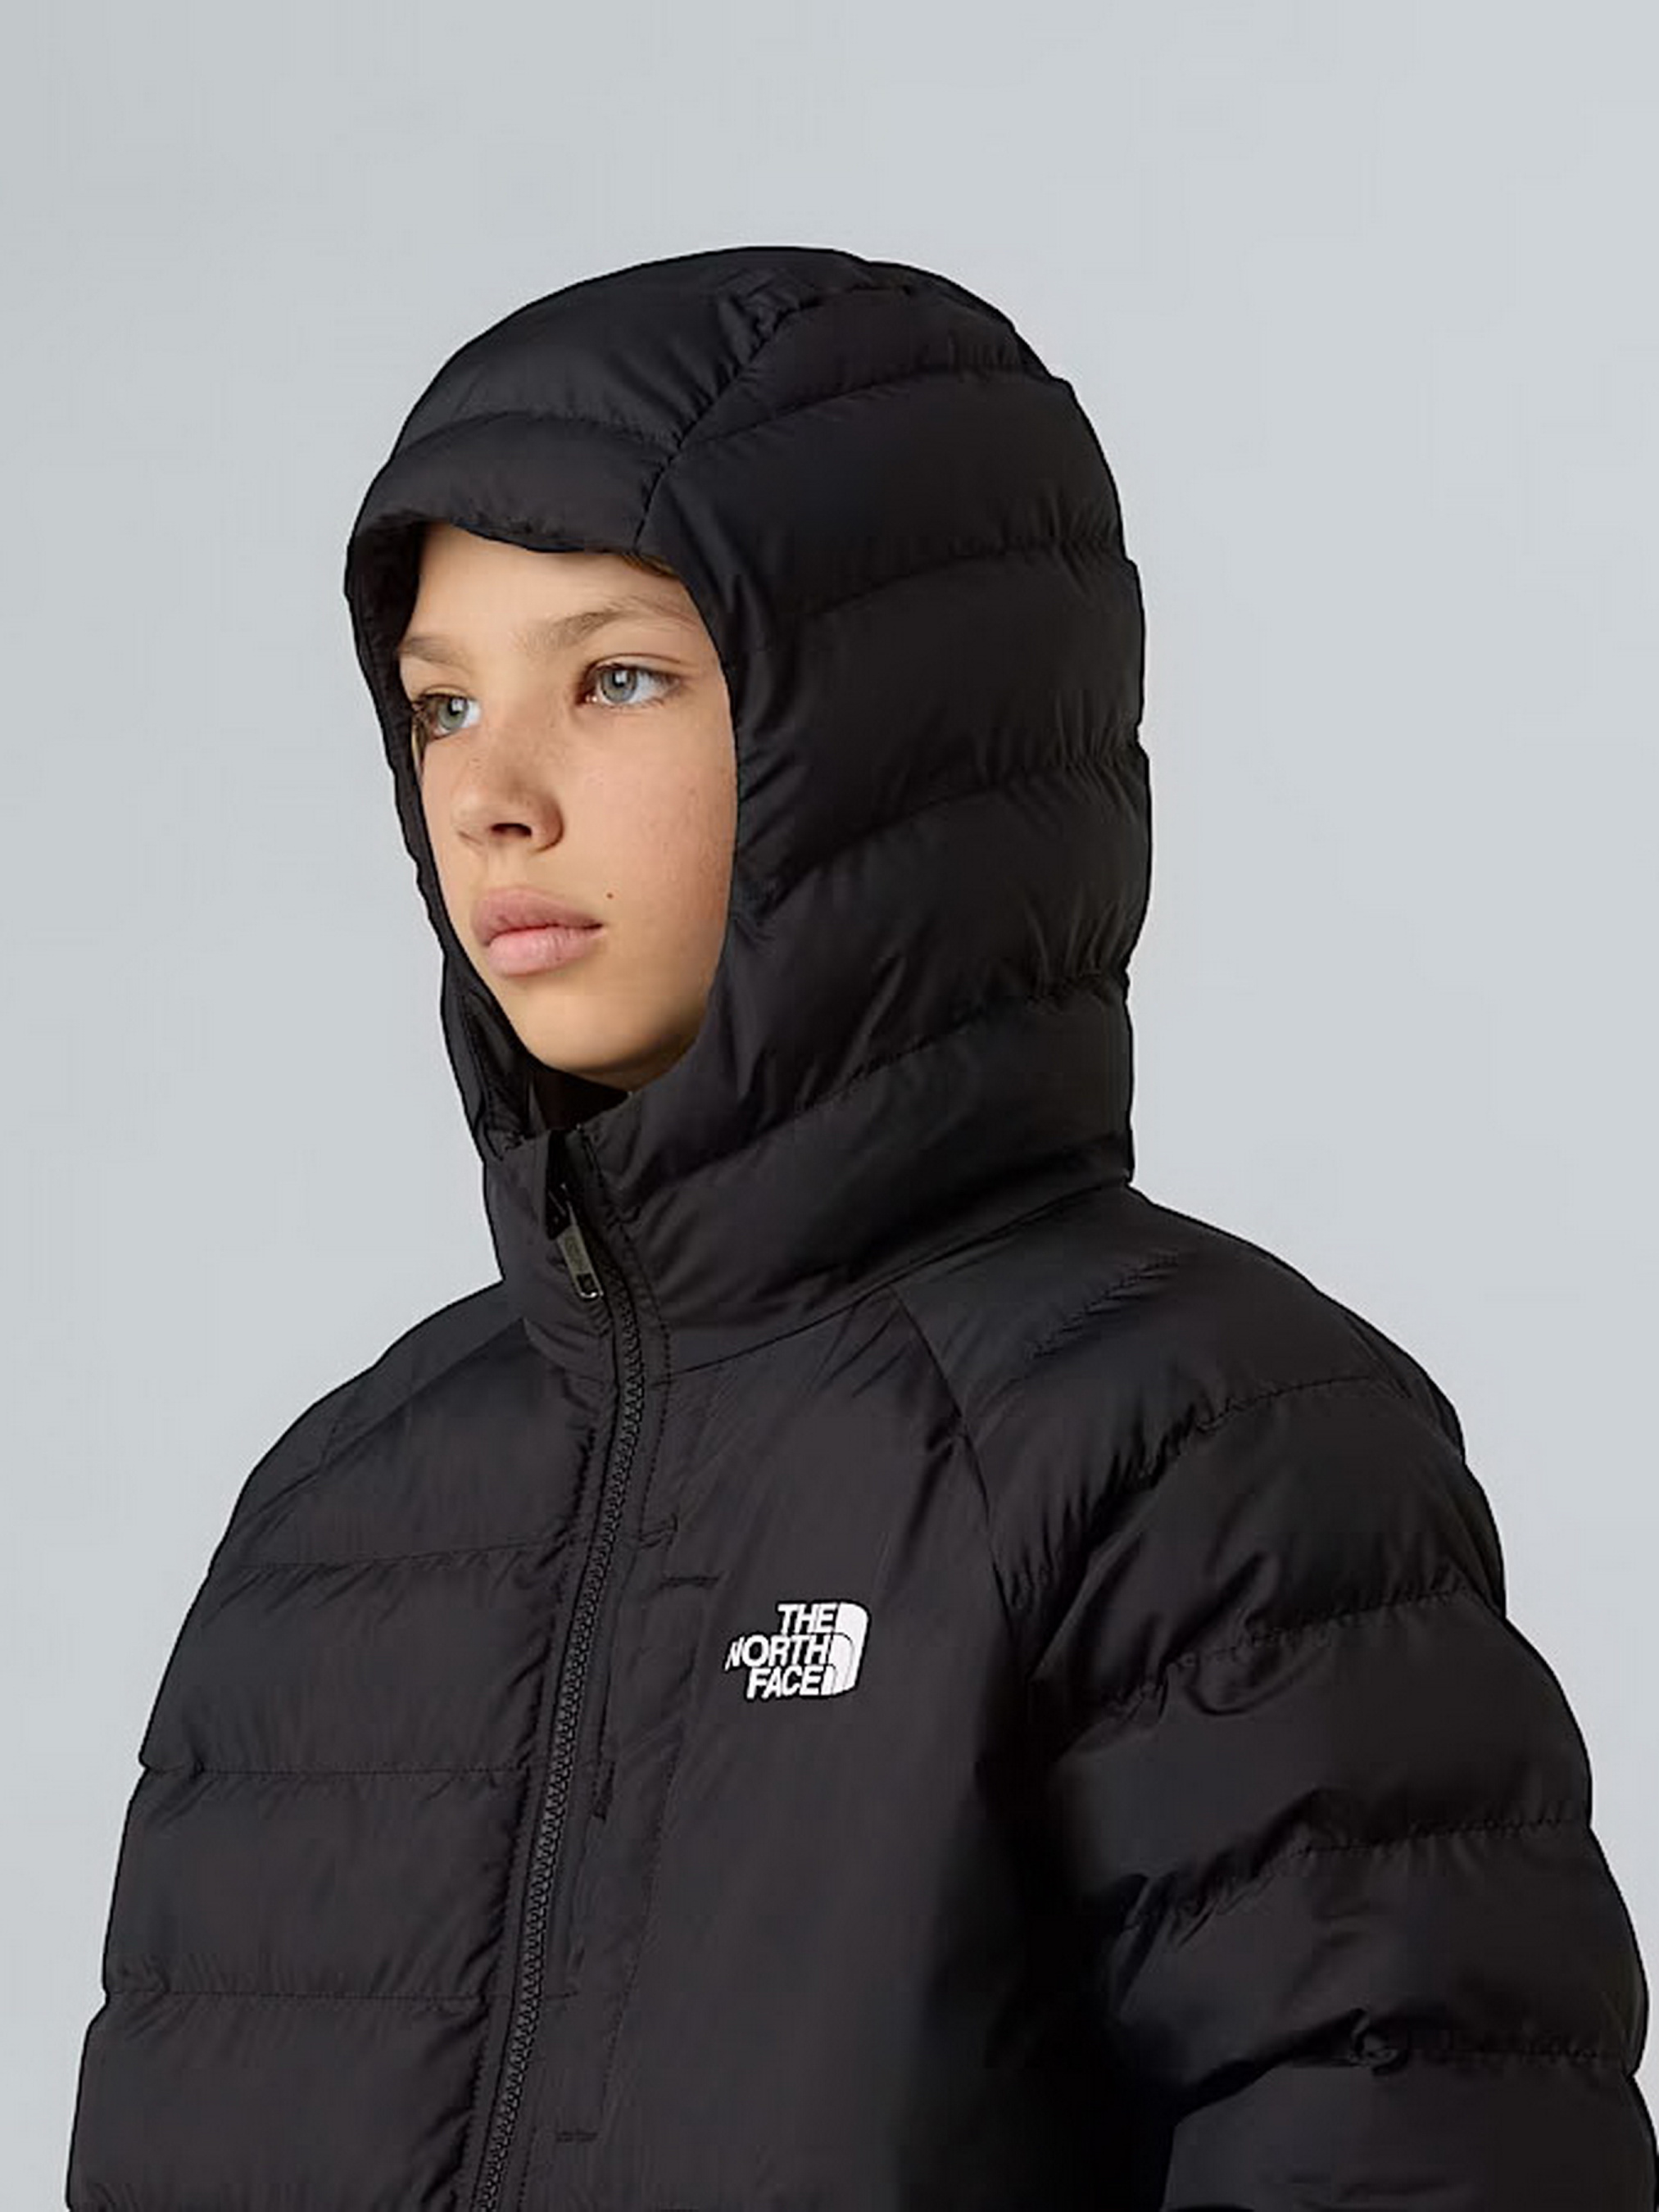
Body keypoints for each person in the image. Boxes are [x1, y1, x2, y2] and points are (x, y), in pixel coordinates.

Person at [66, 243, 1656, 2210]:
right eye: (443, 703)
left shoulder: (1192, 1451)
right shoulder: (335, 1523)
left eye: (618, 677)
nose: (492, 796)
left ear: (898, 733)